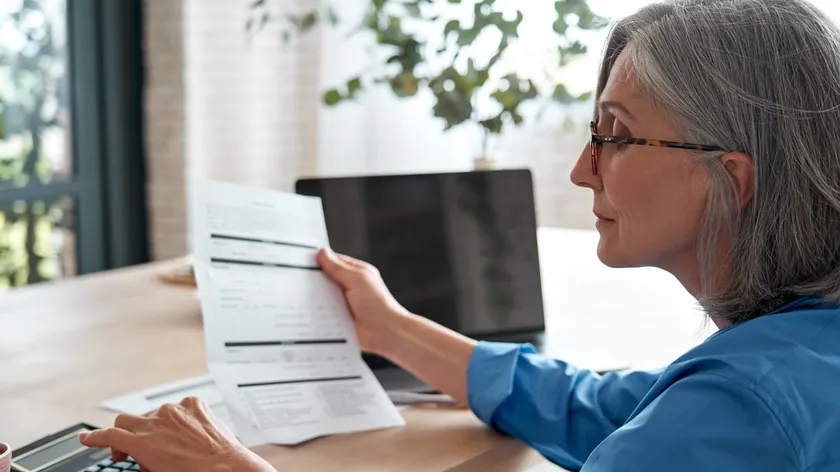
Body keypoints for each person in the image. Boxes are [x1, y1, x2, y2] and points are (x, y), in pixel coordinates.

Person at [79, 0, 840, 470]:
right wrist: (395, 329)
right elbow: (601, 408)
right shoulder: (792, 358)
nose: (582, 169)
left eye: (616, 135)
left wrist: (225, 469)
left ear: (730, 180)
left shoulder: (741, 409)